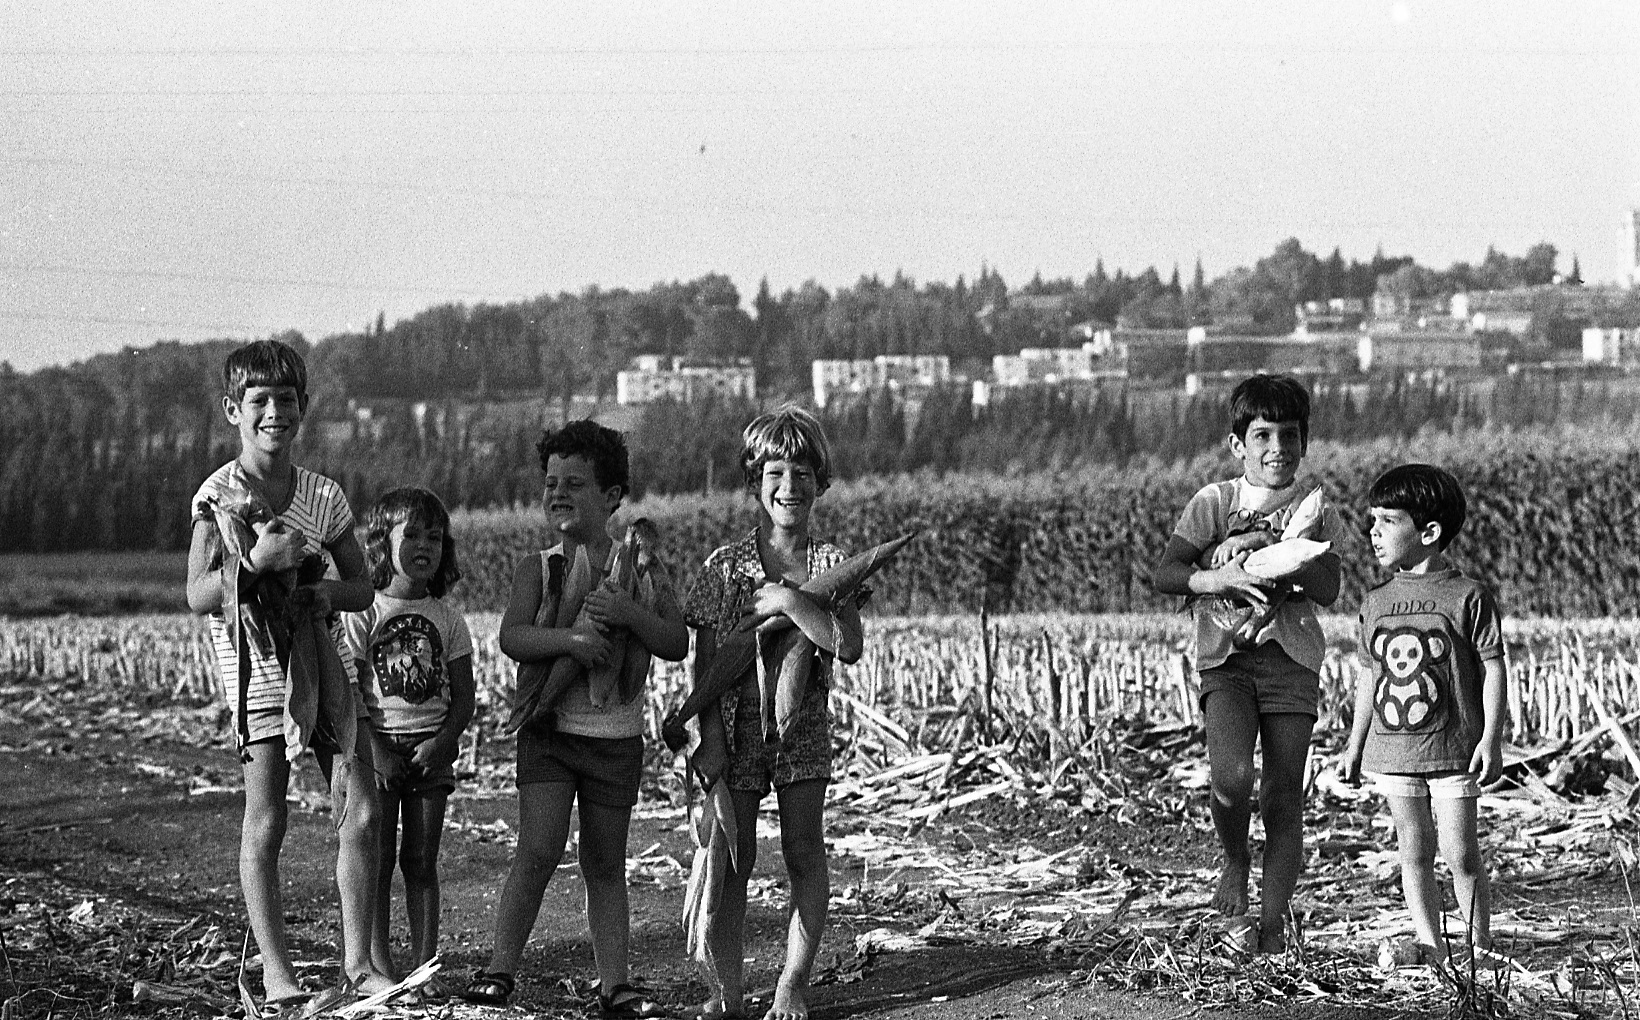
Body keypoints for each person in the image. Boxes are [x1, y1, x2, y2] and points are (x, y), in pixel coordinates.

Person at [184, 339, 392, 1009]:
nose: (275, 411)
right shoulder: (218, 494)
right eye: (260, 401)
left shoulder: (324, 496)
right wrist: (256, 563)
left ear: (303, 409)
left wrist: (326, 594)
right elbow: (195, 593)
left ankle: (359, 966)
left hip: (324, 672)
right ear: (232, 410)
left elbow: (362, 585)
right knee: (266, 820)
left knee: (359, 810)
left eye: (287, 400)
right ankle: (277, 971)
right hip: (258, 680)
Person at [465, 421, 687, 1017]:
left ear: (613, 497)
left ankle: (615, 982)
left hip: (615, 739)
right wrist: (572, 640)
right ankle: (499, 968)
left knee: (605, 863)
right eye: (550, 483)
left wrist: (627, 614)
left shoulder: (638, 565)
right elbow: (513, 637)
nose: (558, 493)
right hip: (549, 735)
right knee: (536, 851)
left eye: (576, 484)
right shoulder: (536, 568)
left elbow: (674, 640)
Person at [682, 407, 866, 1020]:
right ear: (754, 479)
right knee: (734, 863)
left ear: (821, 479)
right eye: (776, 471)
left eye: (804, 471)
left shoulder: (829, 564)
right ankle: (727, 991)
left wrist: (790, 600)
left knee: (804, 854)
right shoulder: (724, 566)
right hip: (731, 733)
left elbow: (848, 643)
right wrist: (706, 737)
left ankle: (792, 983)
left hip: (802, 730)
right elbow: (704, 666)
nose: (791, 485)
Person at [1152, 373, 1343, 954]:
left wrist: (1287, 557)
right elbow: (1166, 573)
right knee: (1232, 780)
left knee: (1283, 796)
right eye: (1262, 435)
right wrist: (1221, 574)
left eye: (1289, 435)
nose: (1277, 448)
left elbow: (1330, 586)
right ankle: (1234, 860)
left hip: (1292, 662)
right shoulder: (1214, 502)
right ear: (1238, 445)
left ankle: (1271, 922)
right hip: (1226, 661)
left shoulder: (1313, 509)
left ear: (1304, 442)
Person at [1339, 464, 1505, 966]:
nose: (1374, 531)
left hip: (1454, 751)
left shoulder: (1468, 597)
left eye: (1388, 521)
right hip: (1393, 752)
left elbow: (1494, 669)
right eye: (1373, 519)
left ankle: (1478, 948)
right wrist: (1354, 744)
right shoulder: (1375, 603)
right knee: (1412, 850)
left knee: (1461, 854)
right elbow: (1369, 678)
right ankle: (1430, 943)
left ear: (1429, 533)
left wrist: (1491, 739)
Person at [343, 487, 474, 993]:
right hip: (378, 749)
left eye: (435, 537)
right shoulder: (362, 613)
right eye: (412, 534)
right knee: (375, 861)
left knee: (420, 861)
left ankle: (423, 968)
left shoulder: (447, 618)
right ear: (380, 544)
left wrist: (443, 742)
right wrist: (375, 752)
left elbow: (464, 698)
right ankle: (378, 968)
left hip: (430, 753)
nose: (425, 545)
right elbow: (349, 695)